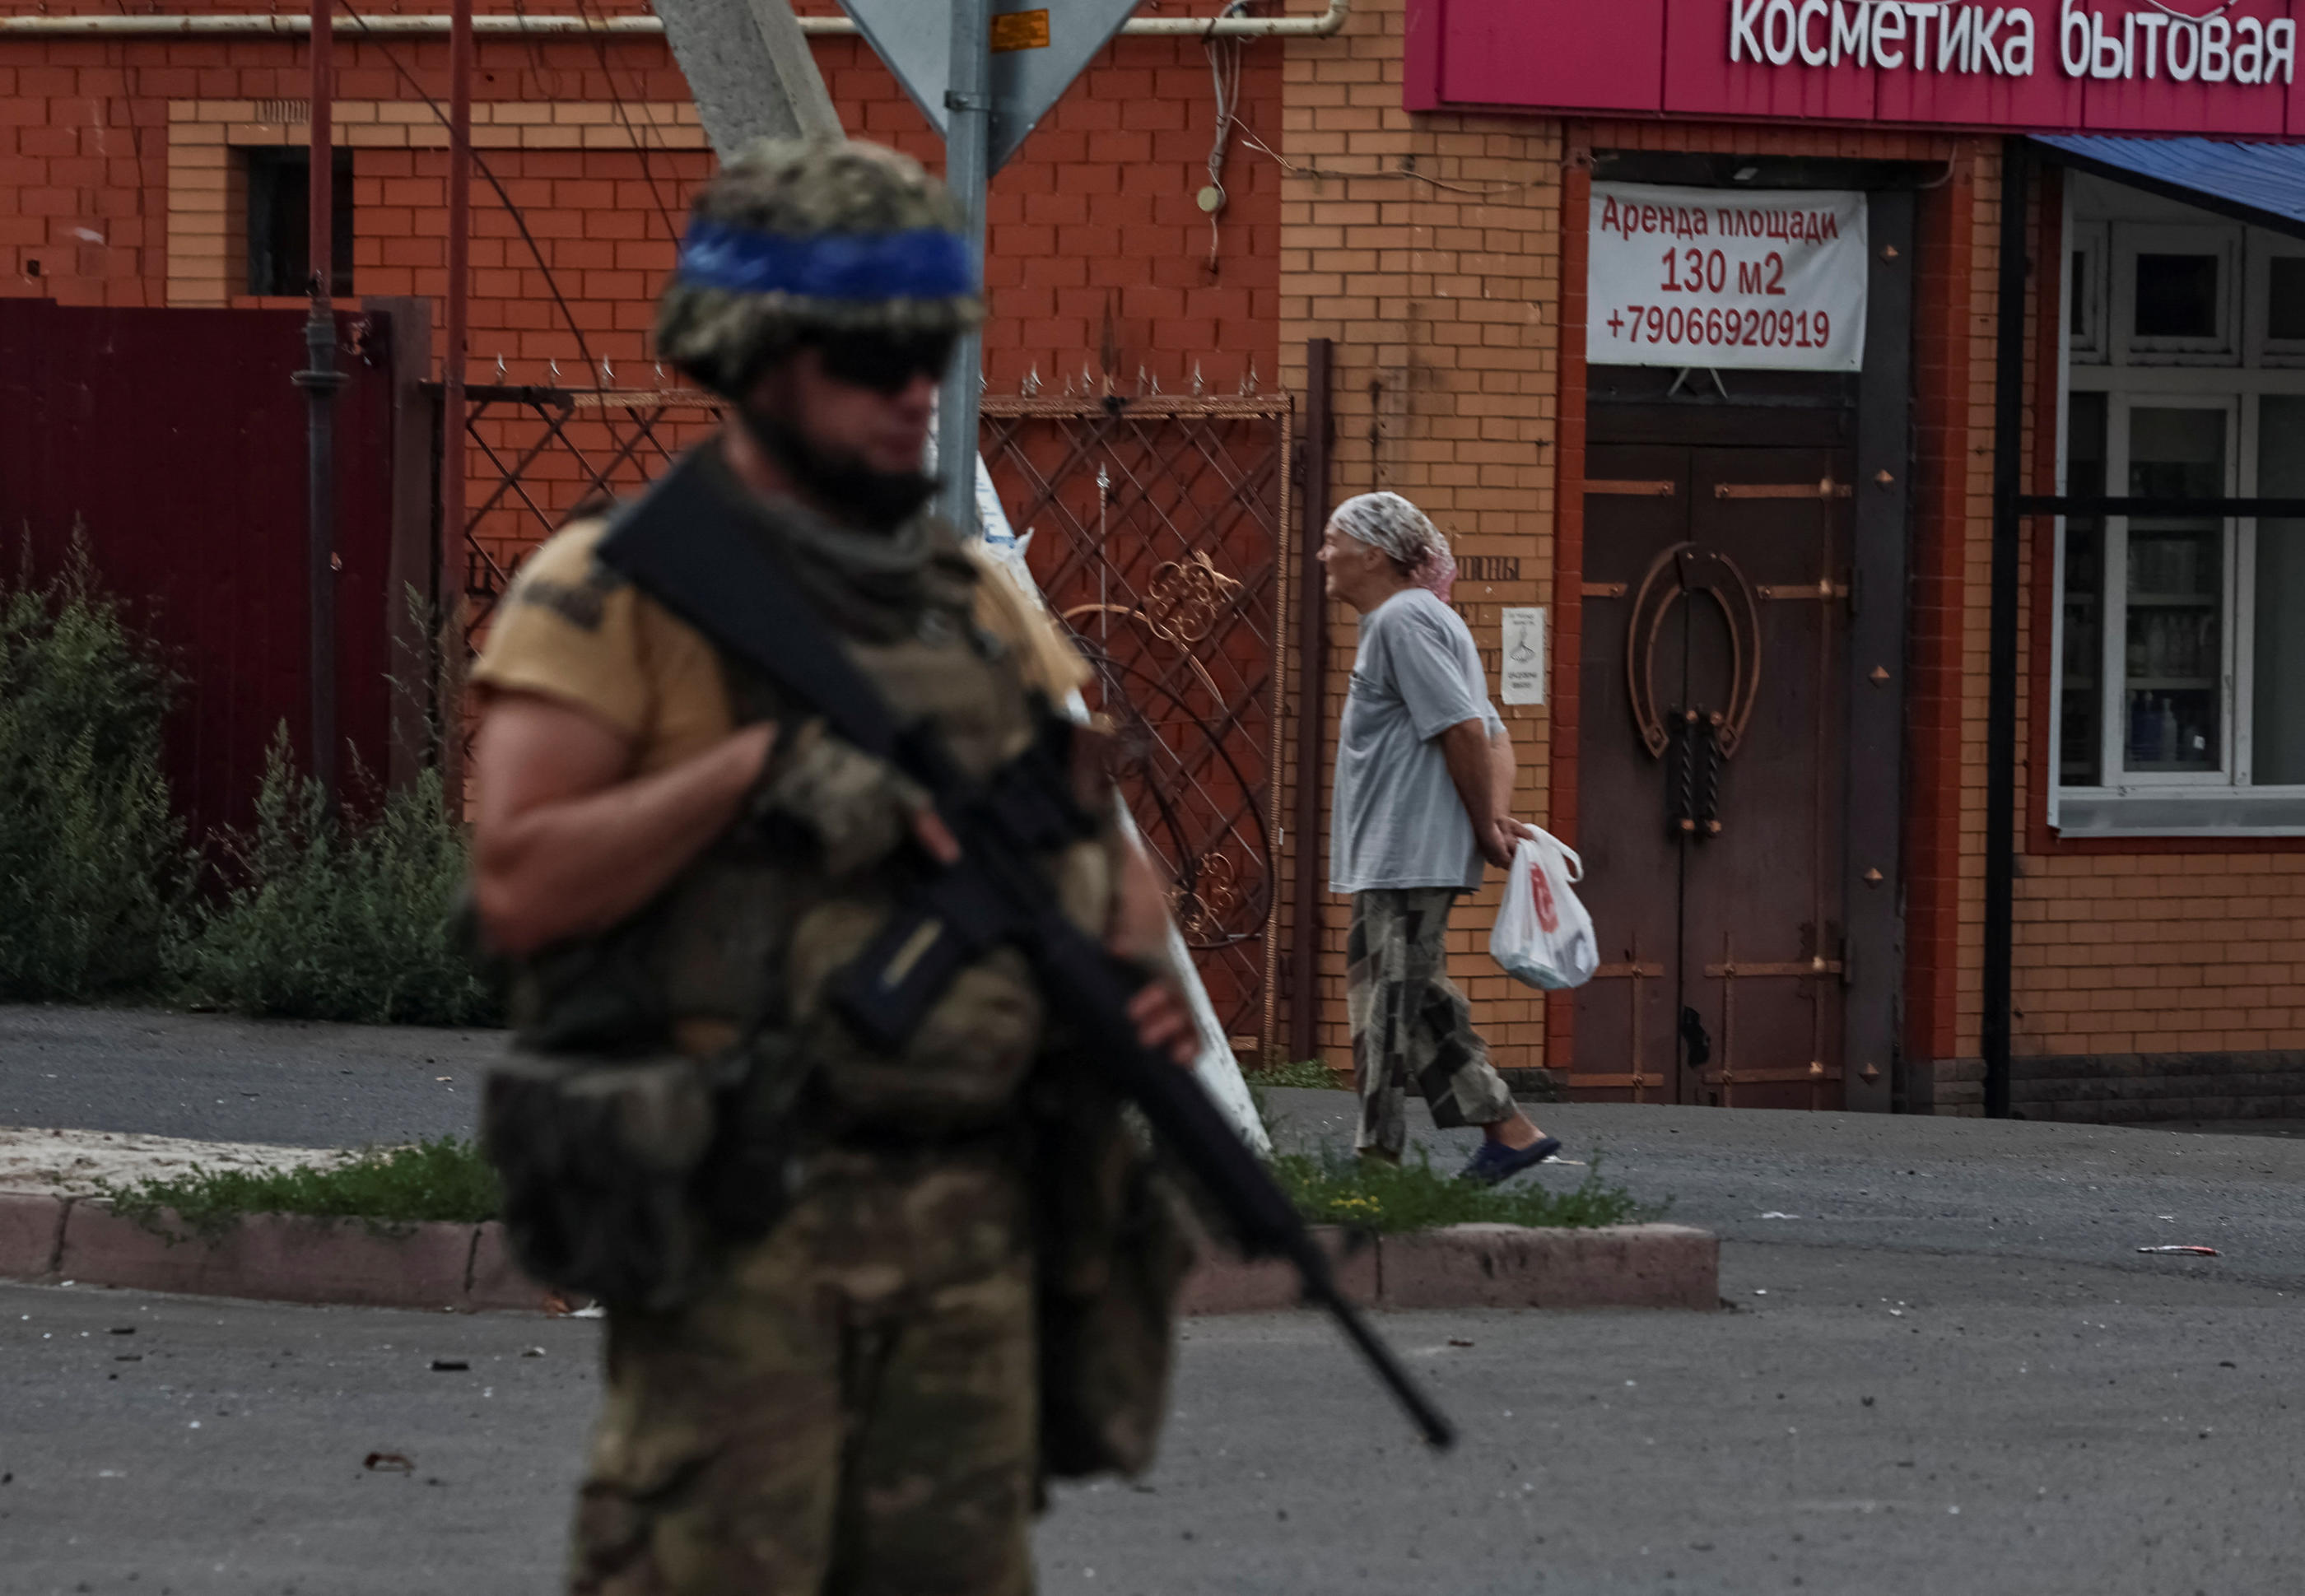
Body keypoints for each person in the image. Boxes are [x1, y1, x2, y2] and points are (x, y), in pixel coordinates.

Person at [465, 137, 1198, 1595]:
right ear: (755, 355)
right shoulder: (617, 589)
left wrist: (1119, 975)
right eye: (872, 356)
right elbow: (521, 882)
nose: (916, 388)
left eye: (928, 350)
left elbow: (1101, 843)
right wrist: (756, 771)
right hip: (750, 1218)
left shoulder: (973, 601)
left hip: (969, 1228)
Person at [1318, 490, 1563, 1183]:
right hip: (1403, 852)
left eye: (1333, 540)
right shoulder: (1420, 618)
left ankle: (1377, 1161)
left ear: (1373, 552)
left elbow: (1463, 730)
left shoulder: (1403, 618)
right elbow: (1491, 731)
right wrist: (1490, 813)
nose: (1323, 554)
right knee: (1419, 997)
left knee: (1382, 1006)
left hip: (1406, 852)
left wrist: (1487, 823)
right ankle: (1509, 1130)